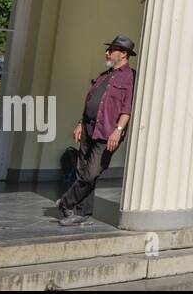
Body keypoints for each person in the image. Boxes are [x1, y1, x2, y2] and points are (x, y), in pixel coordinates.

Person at [56, 35, 137, 226]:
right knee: (81, 171)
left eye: (111, 50)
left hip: (108, 133)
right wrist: (79, 123)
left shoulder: (130, 77)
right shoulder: (104, 76)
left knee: (92, 172)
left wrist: (118, 130)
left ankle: (66, 201)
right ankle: (81, 212)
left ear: (123, 54)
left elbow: (127, 108)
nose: (107, 53)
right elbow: (91, 103)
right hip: (88, 128)